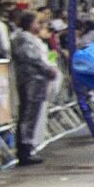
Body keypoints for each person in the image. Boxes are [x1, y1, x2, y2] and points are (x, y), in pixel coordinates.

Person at [10, 10, 60, 165]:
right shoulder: (23, 39)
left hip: (38, 80)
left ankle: (28, 146)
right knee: (28, 113)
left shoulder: (33, 39)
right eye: (37, 22)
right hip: (30, 79)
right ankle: (24, 150)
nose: (40, 26)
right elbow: (33, 58)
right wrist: (47, 69)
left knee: (33, 113)